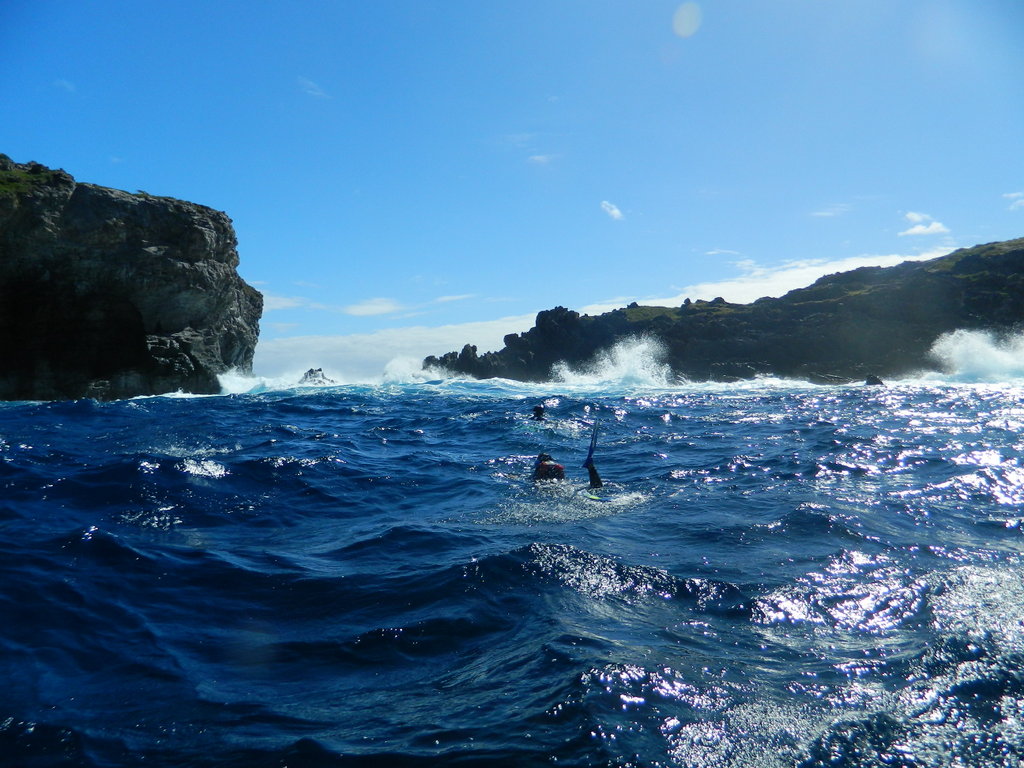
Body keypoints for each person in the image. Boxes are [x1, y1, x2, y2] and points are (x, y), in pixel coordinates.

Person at [533, 451, 602, 488]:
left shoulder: (540, 467)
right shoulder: (555, 466)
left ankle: (591, 470)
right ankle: (591, 469)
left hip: (548, 485)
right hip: (562, 485)